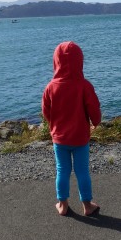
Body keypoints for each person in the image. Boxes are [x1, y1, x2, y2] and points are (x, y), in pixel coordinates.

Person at [42, 41, 102, 216]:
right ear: (80, 61)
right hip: (80, 137)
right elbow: (94, 108)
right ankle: (87, 205)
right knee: (82, 171)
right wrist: (96, 122)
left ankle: (63, 204)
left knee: (62, 170)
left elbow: (46, 112)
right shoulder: (84, 85)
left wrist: (53, 125)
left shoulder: (50, 87)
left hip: (59, 138)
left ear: (56, 62)